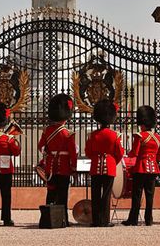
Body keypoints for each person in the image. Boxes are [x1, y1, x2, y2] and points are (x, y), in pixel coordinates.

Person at [122, 105, 160, 227]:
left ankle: (133, 219)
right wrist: (152, 159)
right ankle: (148, 219)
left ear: (142, 123)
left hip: (141, 168)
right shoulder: (158, 138)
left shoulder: (140, 136)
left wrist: (127, 154)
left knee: (137, 195)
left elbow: (134, 153)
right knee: (150, 196)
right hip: (153, 169)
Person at [38, 94, 77, 225]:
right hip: (64, 167)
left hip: (50, 167)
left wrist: (48, 153)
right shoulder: (68, 133)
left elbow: (40, 147)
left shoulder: (46, 131)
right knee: (62, 195)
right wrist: (73, 167)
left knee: (50, 193)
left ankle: (47, 218)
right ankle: (63, 220)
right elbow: (73, 154)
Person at [85, 99, 123, 227]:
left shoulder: (92, 135)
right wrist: (112, 161)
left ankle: (96, 220)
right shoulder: (115, 135)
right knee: (106, 195)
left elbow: (88, 152)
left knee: (95, 194)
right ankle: (105, 220)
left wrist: (96, 158)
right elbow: (120, 153)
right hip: (110, 167)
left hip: (96, 167)